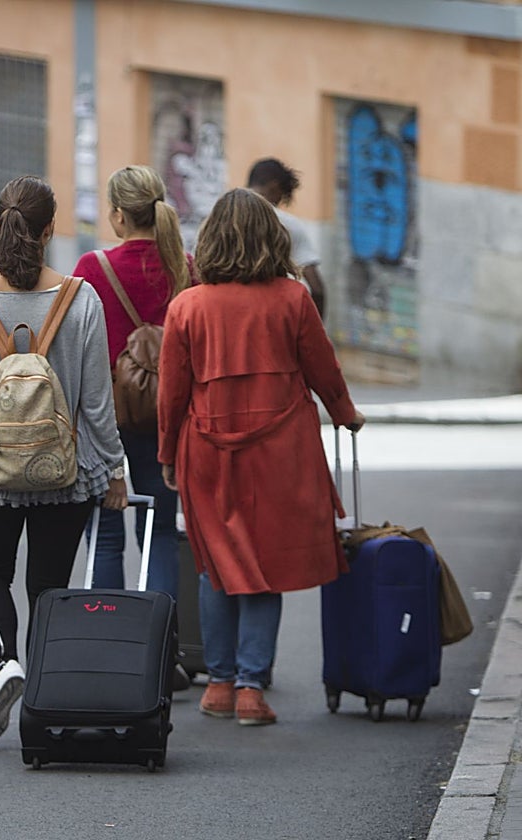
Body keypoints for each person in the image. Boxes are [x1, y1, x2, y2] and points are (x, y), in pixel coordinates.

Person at [158, 187, 365, 727]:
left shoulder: (187, 306)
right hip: (281, 448)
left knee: (217, 566)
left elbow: (172, 392)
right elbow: (323, 368)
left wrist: (165, 453)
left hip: (206, 448)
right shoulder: (293, 298)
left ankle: (219, 686)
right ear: (274, 237)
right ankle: (252, 688)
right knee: (264, 565)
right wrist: (345, 413)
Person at [0, 175, 128, 743]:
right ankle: (41, 695)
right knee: (48, 584)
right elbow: (97, 402)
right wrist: (113, 469)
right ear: (49, 232)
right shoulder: (81, 298)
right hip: (62, 475)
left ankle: (3, 664)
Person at [72, 165, 192, 600]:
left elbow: (76, 345)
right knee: (159, 533)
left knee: (104, 533)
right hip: (167, 417)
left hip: (106, 417)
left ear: (119, 215)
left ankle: (108, 642)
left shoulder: (92, 267)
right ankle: (161, 643)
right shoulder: (184, 266)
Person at [247, 158, 326, 318]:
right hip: (272, 319)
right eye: (281, 197)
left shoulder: (216, 218)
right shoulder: (286, 224)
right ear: (275, 187)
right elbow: (316, 288)